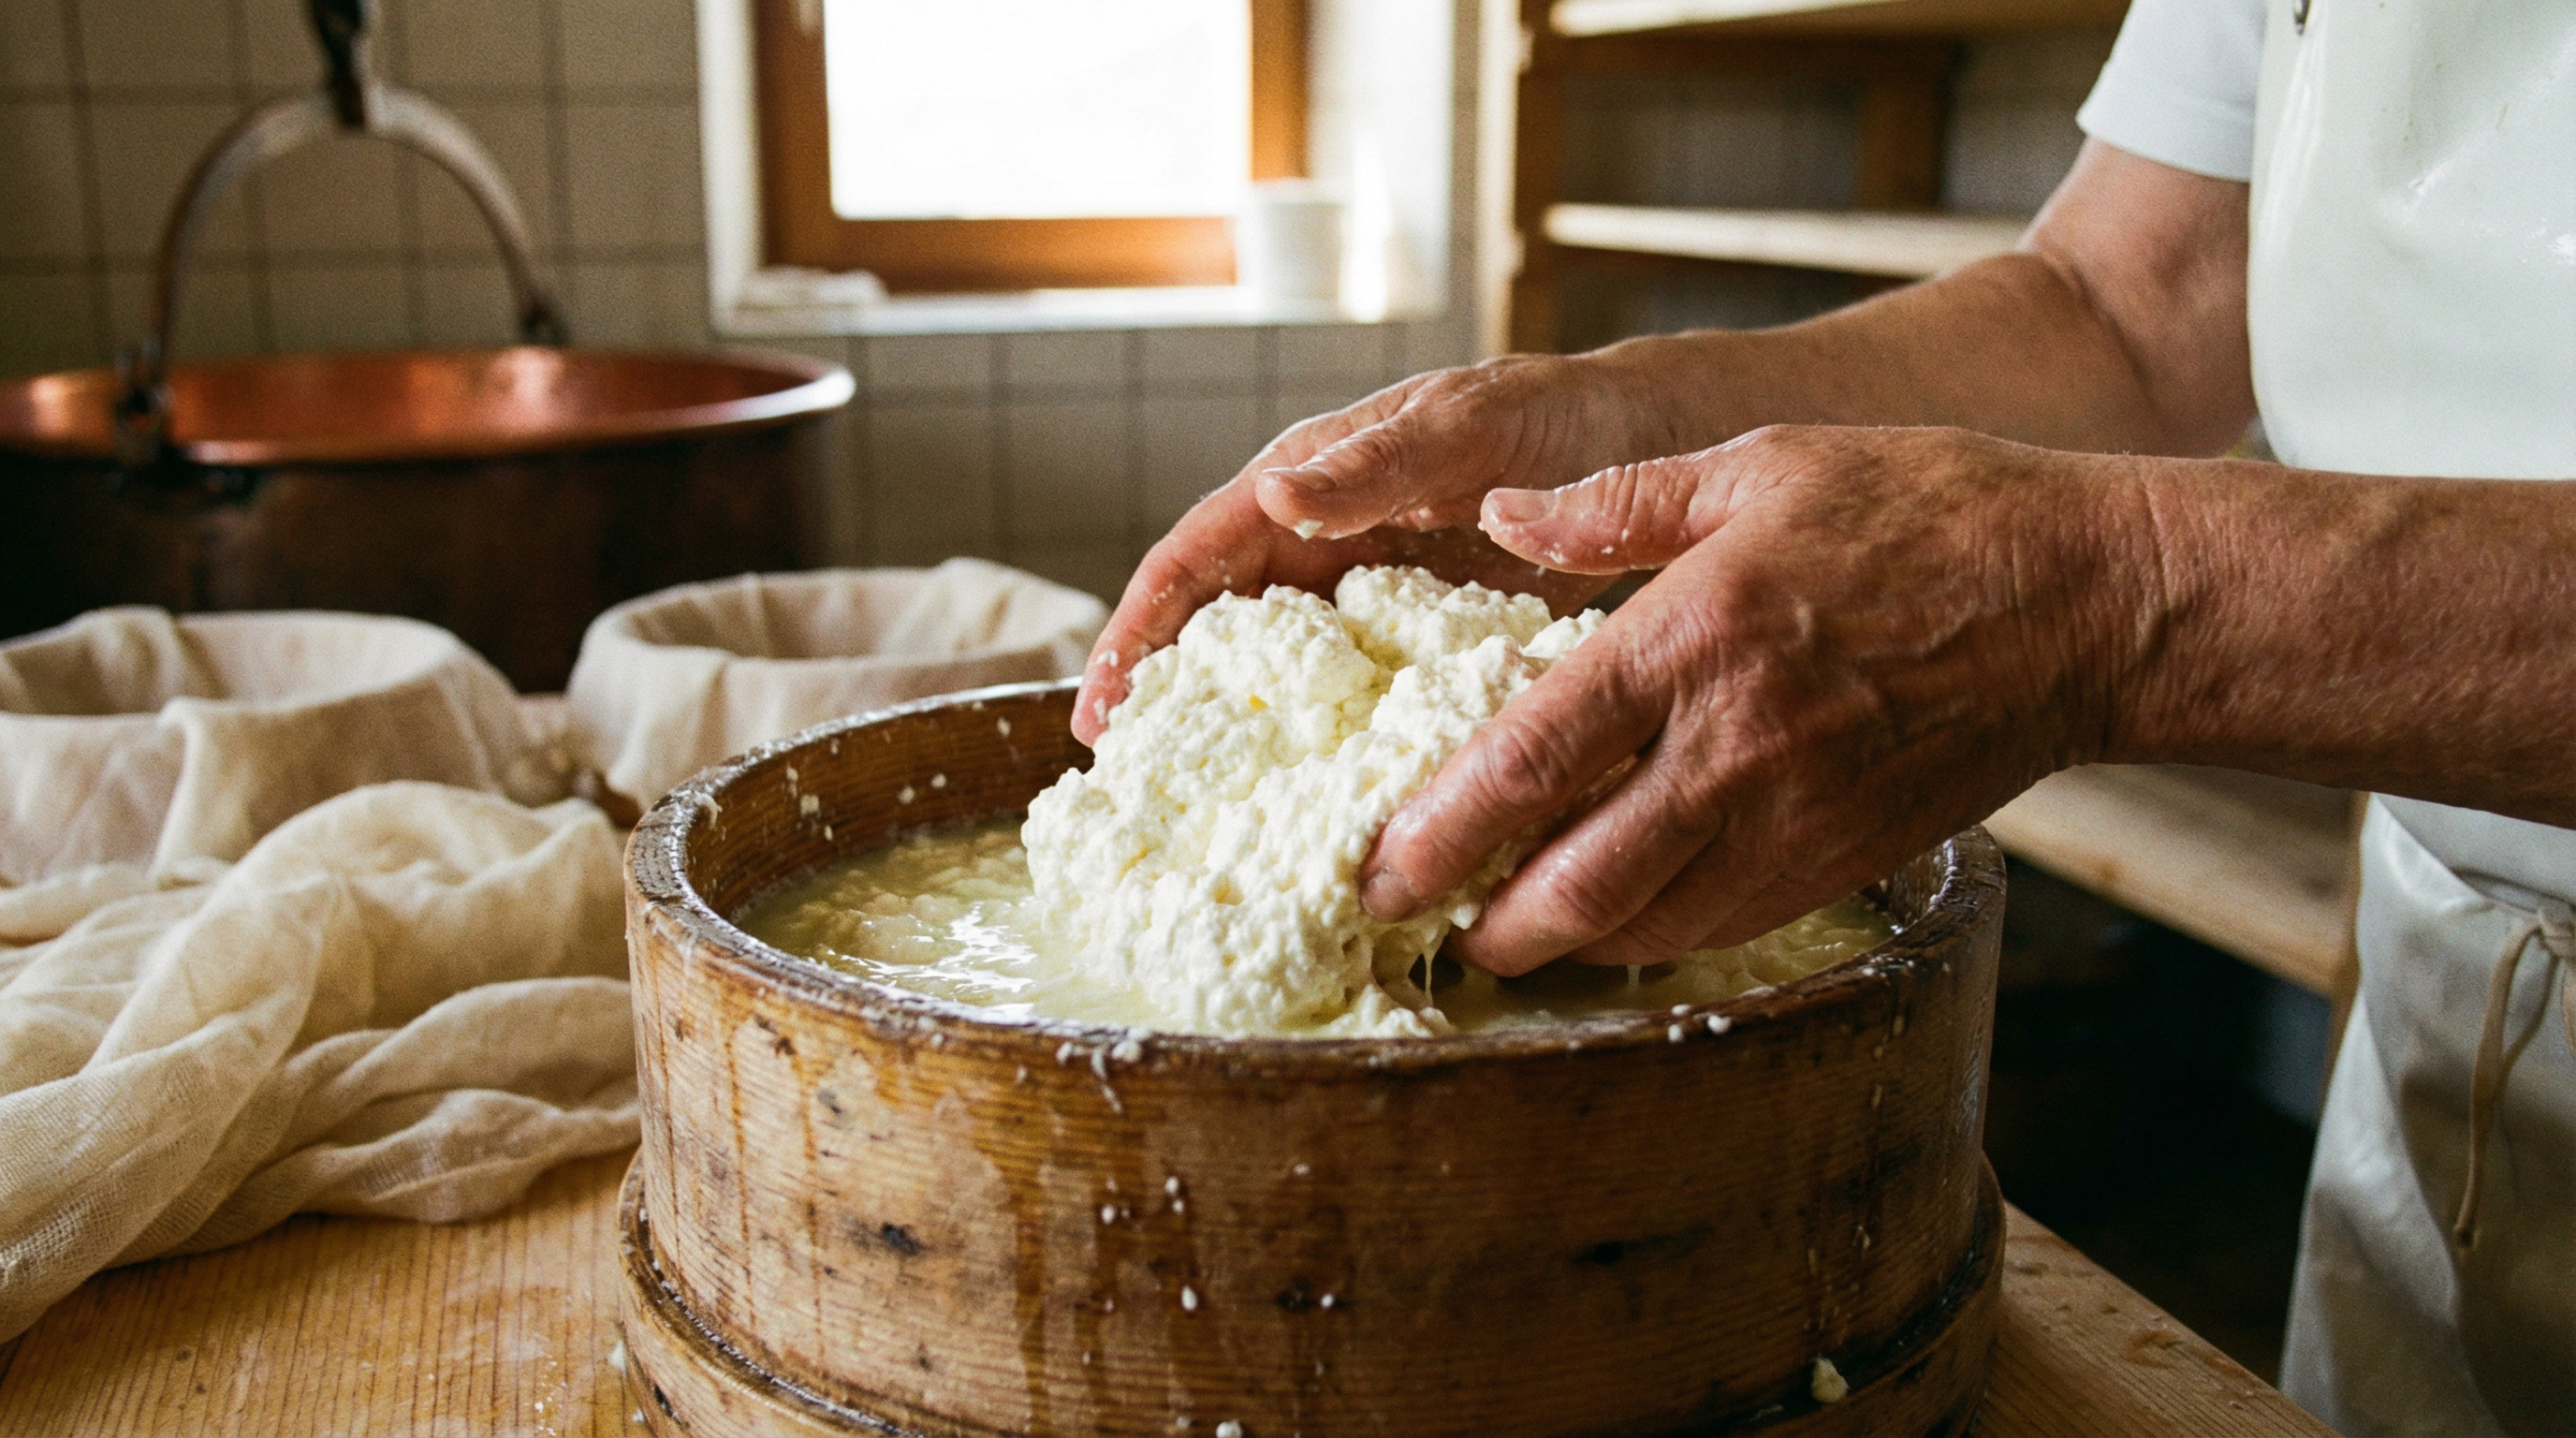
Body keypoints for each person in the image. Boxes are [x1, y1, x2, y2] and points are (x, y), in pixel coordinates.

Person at [1074, 0, 2575, 1431]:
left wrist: (2101, 596)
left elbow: (2110, 488)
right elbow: (2124, 304)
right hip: (2465, 999)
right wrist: (1603, 426)